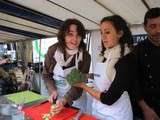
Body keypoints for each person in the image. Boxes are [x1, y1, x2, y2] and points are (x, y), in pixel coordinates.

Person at [74, 15, 137, 120]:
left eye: (107, 32)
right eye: (101, 33)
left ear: (120, 33)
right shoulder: (105, 55)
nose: (103, 37)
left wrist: (83, 86)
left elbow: (109, 98)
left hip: (117, 115)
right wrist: (85, 76)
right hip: (98, 110)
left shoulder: (126, 59)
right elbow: (101, 76)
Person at [42, 18, 91, 113]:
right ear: (63, 35)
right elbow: (46, 75)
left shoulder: (85, 56)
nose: (75, 39)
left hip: (76, 99)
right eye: (70, 34)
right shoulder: (53, 51)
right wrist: (53, 90)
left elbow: (80, 84)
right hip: (57, 96)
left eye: (78, 35)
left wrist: (65, 99)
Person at [132, 7, 160, 120]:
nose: (158, 30)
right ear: (145, 27)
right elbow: (134, 83)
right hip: (146, 110)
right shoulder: (136, 51)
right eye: (153, 26)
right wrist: (145, 109)